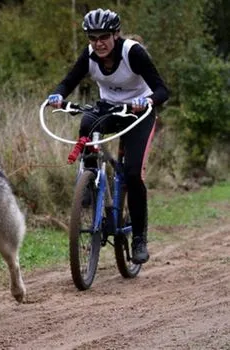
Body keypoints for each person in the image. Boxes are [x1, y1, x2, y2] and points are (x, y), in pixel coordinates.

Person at [47, 8, 169, 264]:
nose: (98, 43)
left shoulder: (132, 53)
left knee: (134, 174)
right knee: (87, 122)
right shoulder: (90, 55)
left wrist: (145, 101)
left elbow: (162, 90)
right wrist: (58, 95)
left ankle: (138, 238)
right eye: (93, 37)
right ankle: (89, 181)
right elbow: (68, 81)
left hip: (139, 113)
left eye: (104, 36)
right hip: (110, 109)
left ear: (116, 34)